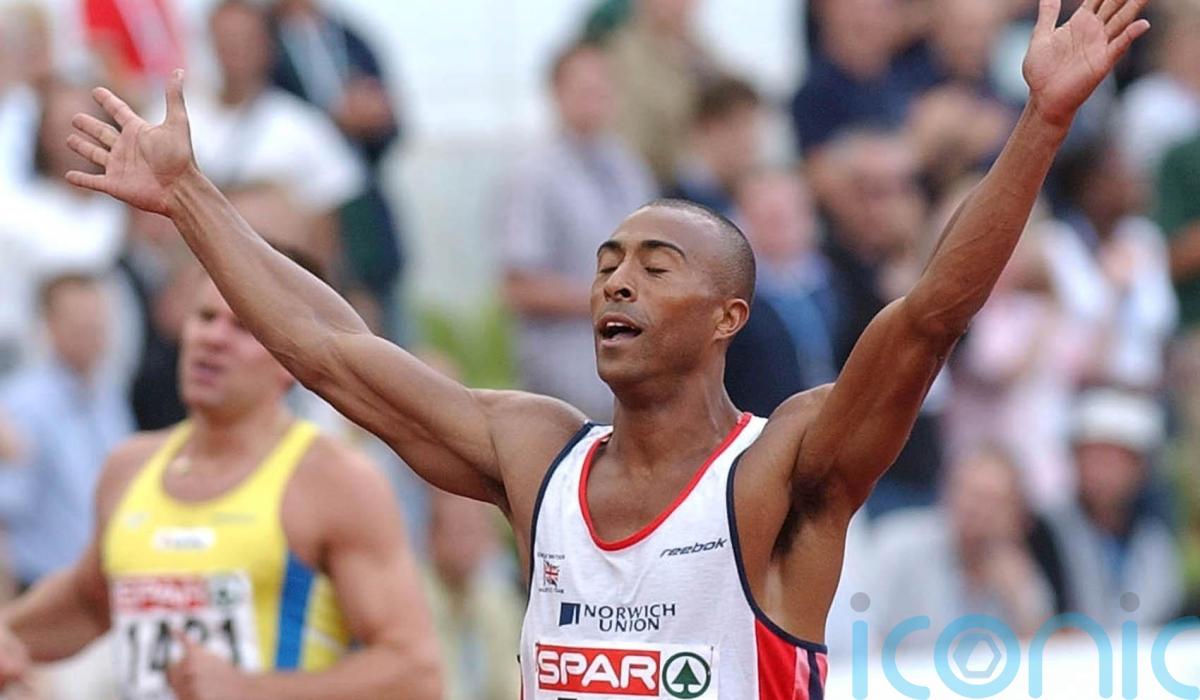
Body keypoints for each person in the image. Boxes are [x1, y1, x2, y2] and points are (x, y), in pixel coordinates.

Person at [60, 0, 1151, 694]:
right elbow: (330, 349)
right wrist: (188, 194)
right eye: (605, 262)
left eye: (656, 265)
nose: (616, 281)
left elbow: (928, 317)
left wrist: (1041, 124)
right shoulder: (536, 450)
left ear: (729, 318)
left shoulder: (782, 468)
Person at [0, 266, 442, 699]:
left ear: (293, 357)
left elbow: (415, 672)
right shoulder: (129, 468)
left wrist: (253, 691)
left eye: (243, 327)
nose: (213, 338)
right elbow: (89, 602)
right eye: (205, 317)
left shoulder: (333, 480)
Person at [499, 41, 656, 421]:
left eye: (603, 89)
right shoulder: (534, 176)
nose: (595, 100)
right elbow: (519, 286)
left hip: (631, 382)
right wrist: (611, 298)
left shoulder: (629, 169)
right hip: (564, 382)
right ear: (556, 93)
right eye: (584, 90)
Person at [870, 448, 1059, 647]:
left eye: (993, 502)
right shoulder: (899, 545)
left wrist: (1019, 598)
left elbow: (1047, 654)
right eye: (971, 495)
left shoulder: (1017, 569)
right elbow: (864, 630)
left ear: (1018, 517)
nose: (978, 510)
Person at [1046, 386, 1182, 628]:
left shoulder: (1155, 540)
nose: (1101, 471)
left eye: (1114, 459)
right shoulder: (1044, 533)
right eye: (1092, 456)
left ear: (1140, 468)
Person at [666, 75, 763, 219]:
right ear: (708, 128)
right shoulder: (673, 205)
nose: (751, 143)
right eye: (740, 126)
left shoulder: (734, 200)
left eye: (753, 128)